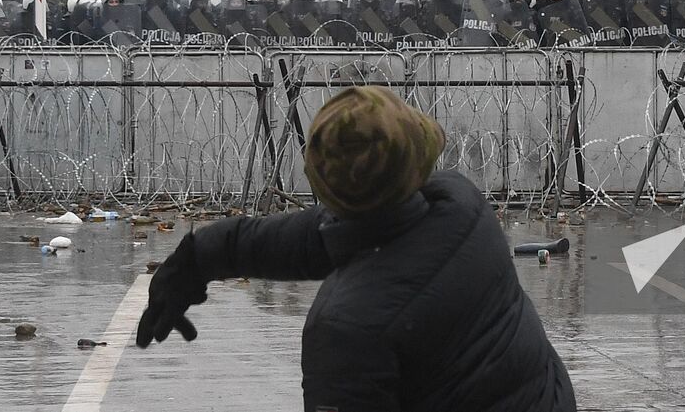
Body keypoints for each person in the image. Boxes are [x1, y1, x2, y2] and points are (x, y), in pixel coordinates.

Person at [136, 86, 576, 411]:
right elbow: (316, 236)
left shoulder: (346, 326)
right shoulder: (459, 205)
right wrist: (199, 258)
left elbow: (332, 231)